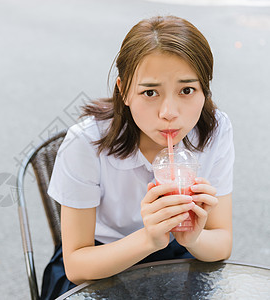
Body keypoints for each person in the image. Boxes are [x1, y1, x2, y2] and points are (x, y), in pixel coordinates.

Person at [40, 15, 234, 300]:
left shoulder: (214, 131)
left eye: (187, 90)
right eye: (150, 92)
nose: (169, 111)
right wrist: (148, 238)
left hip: (177, 260)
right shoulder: (86, 143)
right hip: (101, 266)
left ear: (205, 89)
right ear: (124, 91)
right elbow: (76, 264)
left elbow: (222, 243)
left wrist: (194, 238)